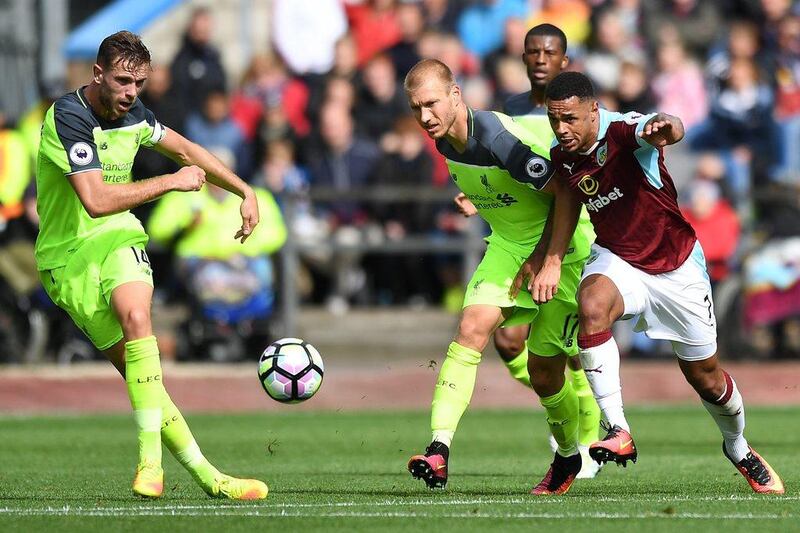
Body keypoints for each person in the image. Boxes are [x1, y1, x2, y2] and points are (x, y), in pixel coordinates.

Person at [521, 71, 784, 494]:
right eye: (554, 120)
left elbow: (664, 126)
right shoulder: (564, 152)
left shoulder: (625, 130)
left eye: (569, 118)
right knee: (591, 306)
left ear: (594, 110)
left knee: (707, 378)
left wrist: (668, 126)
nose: (561, 129)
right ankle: (618, 429)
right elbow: (569, 198)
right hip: (619, 259)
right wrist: (550, 260)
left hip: (676, 267)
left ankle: (738, 448)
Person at [35, 31, 268, 499]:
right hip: (67, 258)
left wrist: (245, 189)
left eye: (139, 83)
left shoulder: (135, 113)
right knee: (141, 379)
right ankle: (210, 478)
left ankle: (150, 465)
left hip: (119, 238)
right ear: (97, 73)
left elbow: (187, 149)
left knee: (140, 318)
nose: (130, 93)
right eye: (122, 81)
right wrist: (171, 183)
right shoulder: (68, 117)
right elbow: (97, 200)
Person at [404, 58, 595, 495]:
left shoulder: (497, 140)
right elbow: (504, 187)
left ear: (456, 95)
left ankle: (570, 452)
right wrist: (479, 197)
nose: (424, 117)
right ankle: (439, 448)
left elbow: (564, 192)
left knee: (548, 373)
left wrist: (546, 259)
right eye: (416, 108)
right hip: (509, 244)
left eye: (431, 104)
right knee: (472, 327)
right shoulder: (446, 142)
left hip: (563, 249)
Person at [455, 23, 602, 479]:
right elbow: (505, 167)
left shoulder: (579, 110)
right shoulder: (511, 111)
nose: (540, 58)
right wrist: (477, 194)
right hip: (524, 236)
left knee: (572, 346)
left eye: (549, 52)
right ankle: (569, 411)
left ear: (565, 60)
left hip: (576, 231)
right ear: (522, 58)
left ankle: (589, 430)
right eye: (532, 51)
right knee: (508, 340)